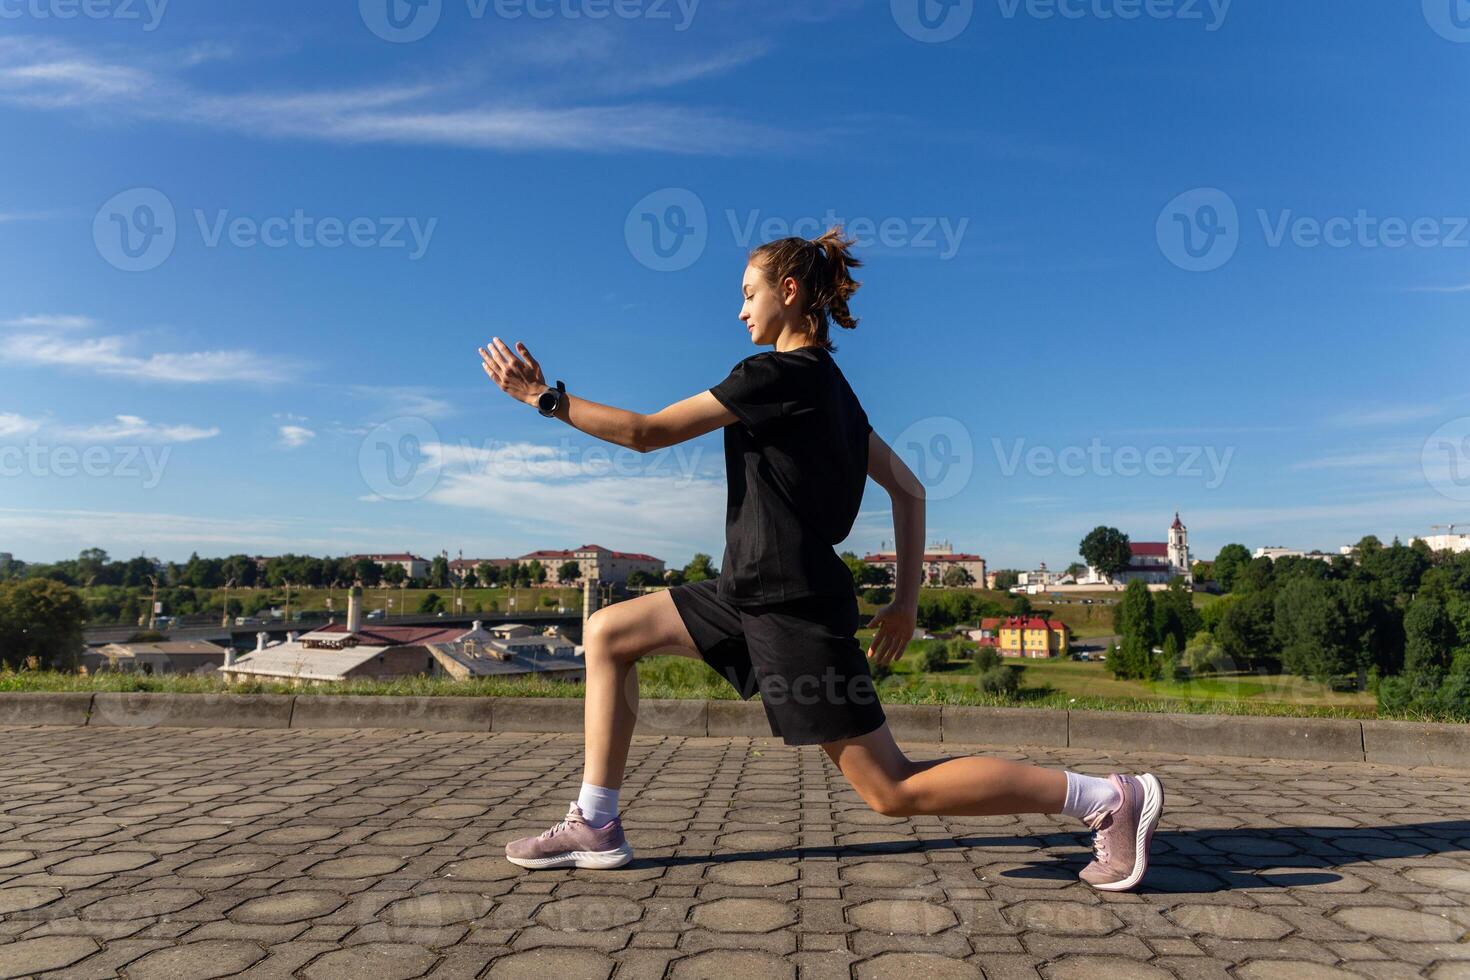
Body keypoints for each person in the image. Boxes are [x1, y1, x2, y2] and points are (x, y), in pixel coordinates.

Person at [476, 227, 1163, 890]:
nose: (740, 307)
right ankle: (596, 824)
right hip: (746, 591)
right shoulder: (834, 389)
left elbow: (645, 433)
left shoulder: (773, 374)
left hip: (791, 607)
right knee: (608, 633)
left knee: (890, 790)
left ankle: (1107, 798)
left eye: (750, 292)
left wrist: (545, 399)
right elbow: (911, 490)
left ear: (792, 290)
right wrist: (902, 603)